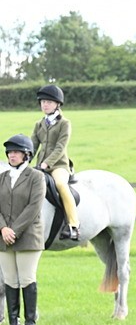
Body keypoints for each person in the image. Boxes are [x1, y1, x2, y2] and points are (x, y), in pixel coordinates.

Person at [0, 135, 47, 325]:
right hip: (4, 237)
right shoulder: (1, 178)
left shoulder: (36, 177)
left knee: (27, 278)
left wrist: (15, 230)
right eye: (10, 152)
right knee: (10, 280)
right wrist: (3, 228)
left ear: (26, 154)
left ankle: (30, 323)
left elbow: (34, 207)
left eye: (16, 152)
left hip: (28, 237)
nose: (12, 155)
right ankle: (13, 324)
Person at [31, 84, 79, 241]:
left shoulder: (65, 123)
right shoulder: (39, 124)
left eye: (49, 102)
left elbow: (60, 147)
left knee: (60, 185)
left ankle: (73, 225)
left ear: (57, 104)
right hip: (40, 167)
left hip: (58, 166)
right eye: (43, 102)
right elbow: (32, 146)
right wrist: (24, 162)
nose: (45, 105)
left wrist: (46, 164)